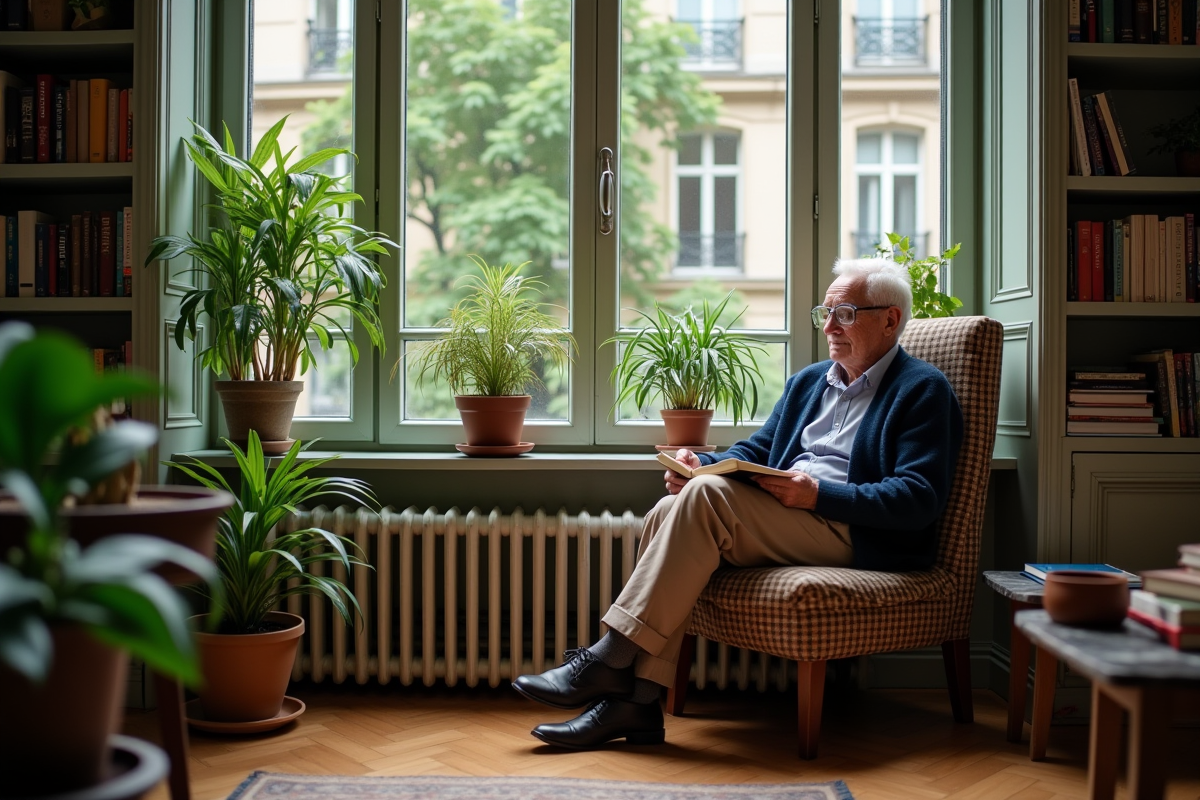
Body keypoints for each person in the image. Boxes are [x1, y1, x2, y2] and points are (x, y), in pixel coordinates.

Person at [512, 257, 964, 750]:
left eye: (847, 314)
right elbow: (756, 450)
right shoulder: (810, 382)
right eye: (825, 313)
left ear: (890, 320)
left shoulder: (922, 390)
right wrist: (699, 462)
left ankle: (608, 661)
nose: (830, 327)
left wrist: (818, 494)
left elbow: (919, 499)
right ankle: (637, 706)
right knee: (670, 507)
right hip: (791, 516)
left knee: (702, 500)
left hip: (853, 532)